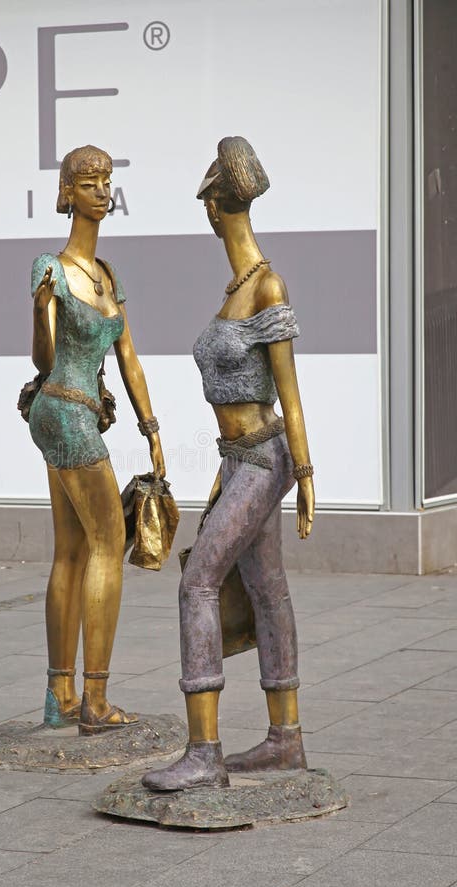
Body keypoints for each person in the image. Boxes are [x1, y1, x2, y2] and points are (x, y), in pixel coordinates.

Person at [143, 136, 315, 790]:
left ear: (217, 207)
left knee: (198, 582)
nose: (207, 213)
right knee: (268, 589)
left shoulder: (266, 283)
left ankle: (204, 752)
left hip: (264, 459)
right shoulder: (237, 287)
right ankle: (285, 740)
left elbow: (290, 397)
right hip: (237, 459)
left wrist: (304, 476)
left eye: (208, 202)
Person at [28, 145, 165, 735]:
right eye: (89, 182)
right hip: (65, 409)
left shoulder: (109, 276)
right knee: (110, 539)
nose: (102, 191)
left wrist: (151, 427)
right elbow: (45, 358)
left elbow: (128, 356)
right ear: (67, 193)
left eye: (107, 180)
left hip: (72, 414)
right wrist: (41, 311)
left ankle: (61, 695)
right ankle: (96, 702)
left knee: (71, 550)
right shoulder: (50, 269)